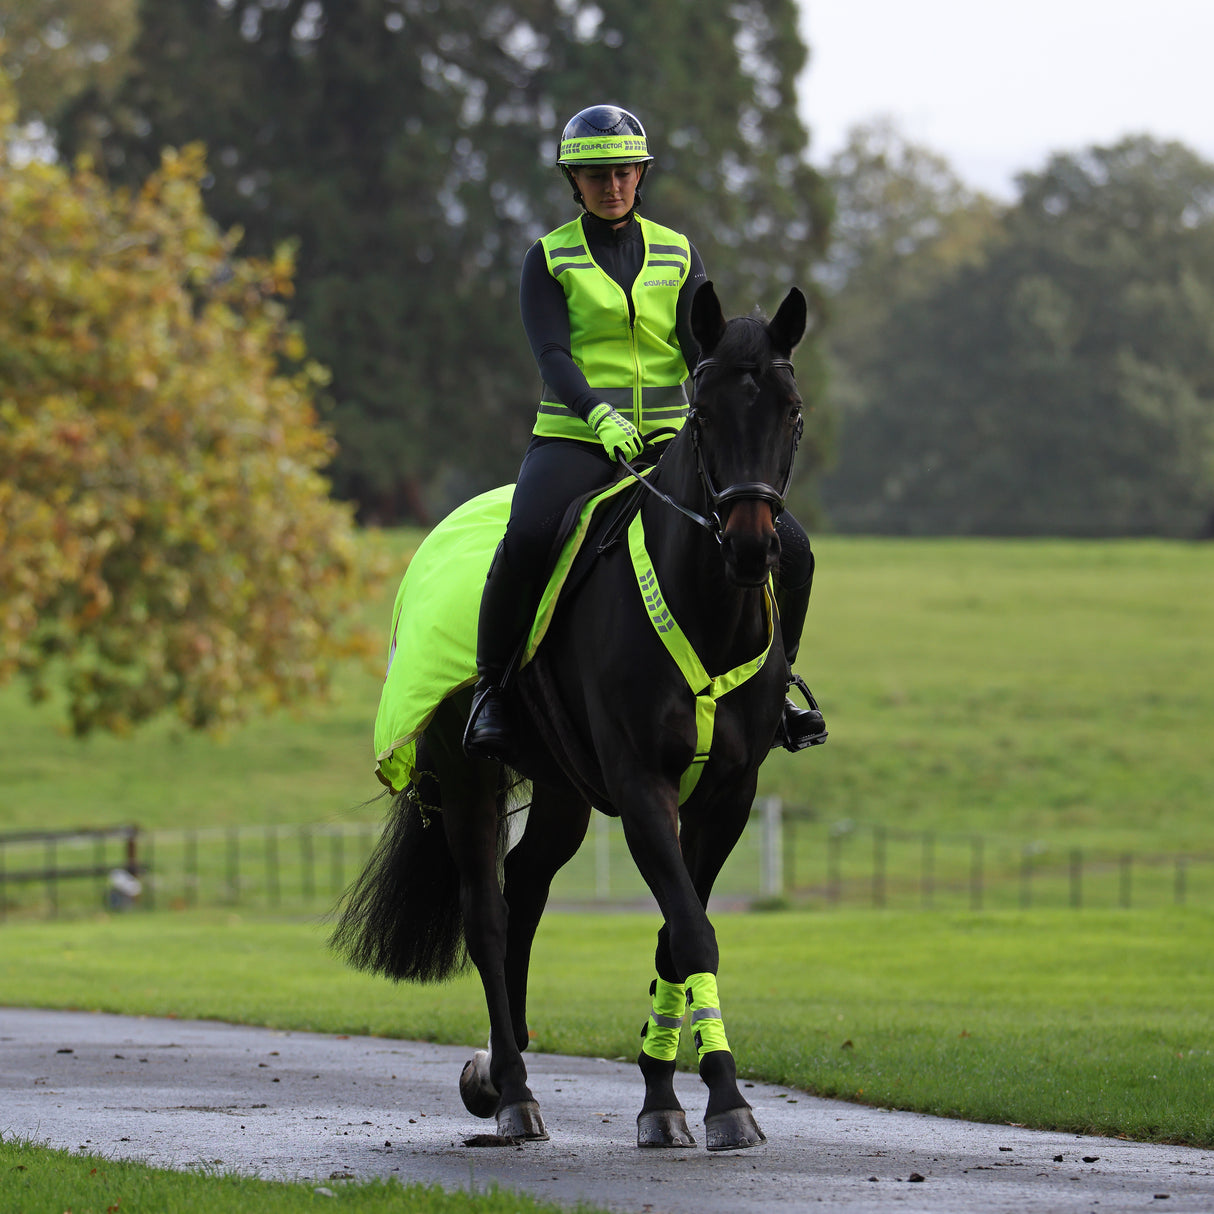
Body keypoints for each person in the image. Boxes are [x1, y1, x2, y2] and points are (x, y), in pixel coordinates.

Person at [463, 104, 826, 761]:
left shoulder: (679, 253)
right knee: (527, 539)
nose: (613, 186)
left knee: (791, 547)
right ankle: (492, 691)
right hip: (574, 437)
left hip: (667, 437)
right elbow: (552, 355)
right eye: (597, 174)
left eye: (625, 171)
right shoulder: (548, 259)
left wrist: (718, 413)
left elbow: (702, 352)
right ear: (574, 181)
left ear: (641, 174)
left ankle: (779, 689)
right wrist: (595, 414)